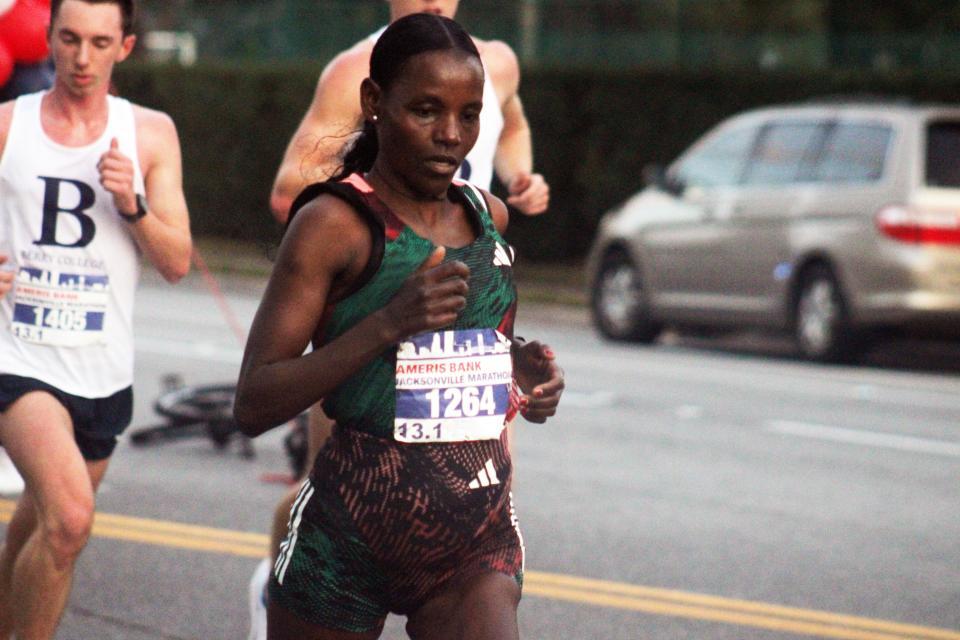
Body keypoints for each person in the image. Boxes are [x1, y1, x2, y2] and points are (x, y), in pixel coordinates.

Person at [234, 13, 563, 639]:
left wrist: (522, 376)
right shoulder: (336, 223)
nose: (450, 136)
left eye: (469, 116)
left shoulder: (485, 214)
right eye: (427, 111)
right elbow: (253, 402)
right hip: (349, 536)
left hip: (474, 541)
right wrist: (389, 321)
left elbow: (468, 349)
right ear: (374, 102)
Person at [0, 0, 191, 637]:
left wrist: (132, 205)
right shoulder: (7, 124)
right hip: (16, 356)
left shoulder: (151, 134)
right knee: (71, 522)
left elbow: (177, 261)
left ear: (126, 47)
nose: (83, 58)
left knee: (34, 534)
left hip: (102, 372)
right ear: (49, 37)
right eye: (71, 39)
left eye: (100, 43)